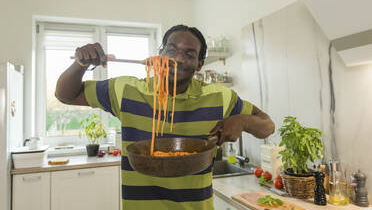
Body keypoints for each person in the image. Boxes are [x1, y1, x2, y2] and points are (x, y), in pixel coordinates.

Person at [55, 24, 275, 209]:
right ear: (160, 54)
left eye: (189, 54)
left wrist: (242, 120)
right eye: (171, 49)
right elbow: (65, 95)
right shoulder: (125, 90)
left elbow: (267, 126)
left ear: (199, 65)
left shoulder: (219, 97)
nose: (178, 58)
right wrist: (80, 64)